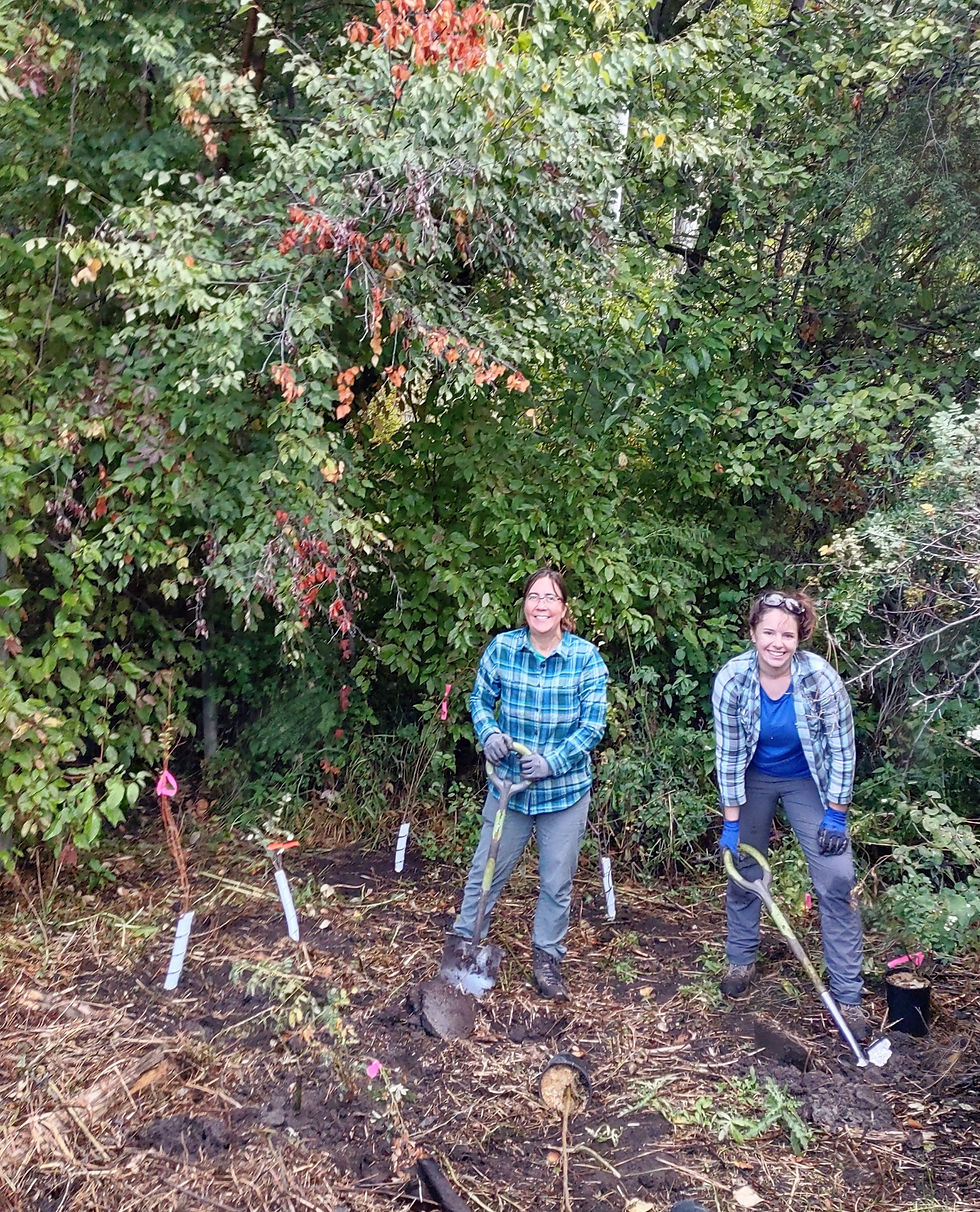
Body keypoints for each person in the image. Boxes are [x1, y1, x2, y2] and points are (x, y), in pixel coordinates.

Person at [711, 589, 868, 1039]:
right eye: (768, 632)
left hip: (809, 780)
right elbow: (728, 754)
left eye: (788, 634)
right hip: (753, 776)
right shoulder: (732, 679)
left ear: (800, 637)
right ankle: (741, 960)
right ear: (754, 633)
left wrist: (836, 814)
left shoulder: (820, 679)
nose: (777, 642)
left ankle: (848, 995)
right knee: (744, 870)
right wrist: (732, 820)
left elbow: (842, 749)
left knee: (837, 879)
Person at [448, 567, 609, 1000]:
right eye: (534, 596)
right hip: (508, 789)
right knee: (486, 870)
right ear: (525, 604)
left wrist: (552, 761)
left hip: (564, 792)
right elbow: (479, 700)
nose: (541, 605)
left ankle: (547, 959)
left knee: (556, 881)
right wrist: (490, 735)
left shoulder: (586, 658)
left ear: (564, 609)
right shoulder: (502, 650)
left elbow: (593, 726)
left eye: (551, 598)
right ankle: (464, 946)